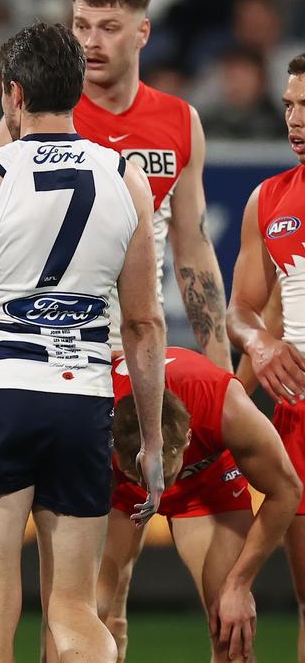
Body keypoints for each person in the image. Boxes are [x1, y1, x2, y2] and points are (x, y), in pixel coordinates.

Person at [0, 21, 167, 663]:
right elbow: (145, 323)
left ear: (13, 93)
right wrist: (153, 439)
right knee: (74, 604)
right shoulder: (126, 177)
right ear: (75, 90)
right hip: (83, 400)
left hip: (0, 395)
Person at [0, 0, 231, 372]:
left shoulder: (180, 121)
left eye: (109, 28)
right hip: (45, 345)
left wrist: (221, 366)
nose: (90, 42)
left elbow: (193, 247)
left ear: (143, 33)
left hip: (137, 350)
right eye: (81, 26)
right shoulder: (33, 115)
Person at [99, 347, 301, 662]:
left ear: (189, 438)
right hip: (119, 491)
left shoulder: (224, 407)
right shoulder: (94, 416)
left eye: (161, 476)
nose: (155, 489)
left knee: (231, 630)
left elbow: (287, 489)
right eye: (143, 476)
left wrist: (239, 585)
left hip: (205, 484)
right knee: (84, 615)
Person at [227, 52, 305, 663]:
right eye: (288, 106)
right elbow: (242, 311)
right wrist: (259, 342)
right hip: (298, 417)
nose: (295, 120)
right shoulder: (269, 199)